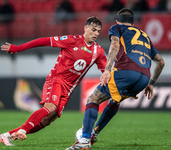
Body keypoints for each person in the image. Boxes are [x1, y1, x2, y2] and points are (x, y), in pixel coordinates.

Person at [0, 16, 107, 146]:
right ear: (85, 28)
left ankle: (7, 135)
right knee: (50, 107)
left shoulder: (98, 51)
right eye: (93, 29)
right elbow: (43, 41)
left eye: (98, 31)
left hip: (69, 88)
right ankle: (23, 130)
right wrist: (18, 48)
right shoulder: (71, 40)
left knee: (48, 120)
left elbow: (106, 71)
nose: (95, 33)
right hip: (56, 79)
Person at [66, 8, 165, 150]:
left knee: (93, 99)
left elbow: (115, 45)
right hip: (144, 78)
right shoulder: (145, 36)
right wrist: (151, 84)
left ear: (117, 21)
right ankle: (94, 133)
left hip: (126, 72)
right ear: (132, 22)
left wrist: (107, 69)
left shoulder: (116, 28)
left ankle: (84, 141)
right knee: (115, 100)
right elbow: (161, 62)